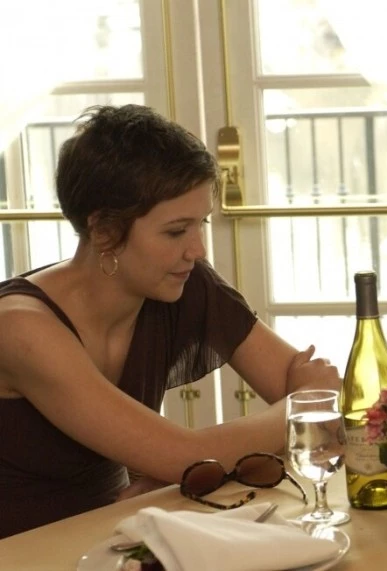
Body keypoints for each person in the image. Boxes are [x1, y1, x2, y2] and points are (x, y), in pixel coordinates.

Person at [0, 104, 340, 538]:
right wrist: (304, 403)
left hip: (114, 537)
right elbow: (192, 455)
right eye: (176, 231)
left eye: (201, 224)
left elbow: (320, 411)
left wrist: (180, 472)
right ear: (103, 230)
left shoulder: (180, 282)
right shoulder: (20, 328)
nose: (197, 250)